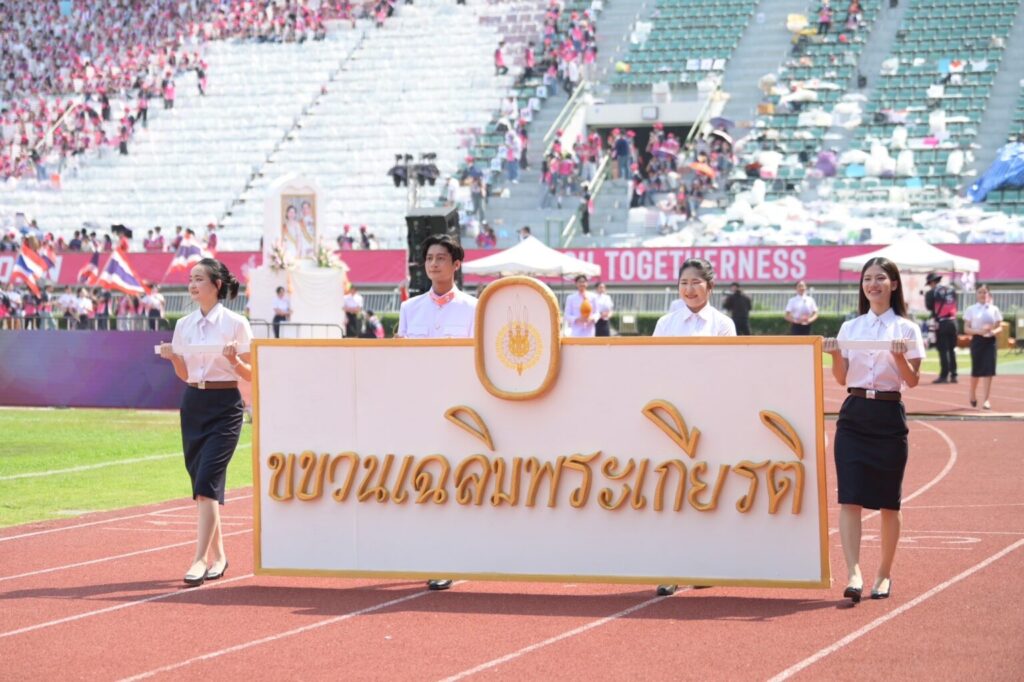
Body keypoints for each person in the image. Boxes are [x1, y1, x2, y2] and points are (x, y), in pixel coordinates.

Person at [823, 257, 924, 604]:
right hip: (853, 415)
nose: (873, 284)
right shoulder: (850, 328)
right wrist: (834, 355)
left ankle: (883, 574)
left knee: (888, 503)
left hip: (888, 415)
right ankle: (853, 572)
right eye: (868, 279)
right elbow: (841, 378)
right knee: (849, 497)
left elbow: (911, 381)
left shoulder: (908, 329)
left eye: (881, 278)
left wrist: (898, 358)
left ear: (894, 284)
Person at [158, 258, 253, 587]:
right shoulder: (183, 325)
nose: (193, 284)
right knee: (203, 489)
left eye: (200, 278)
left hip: (225, 405)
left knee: (208, 481)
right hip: (193, 404)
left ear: (217, 284)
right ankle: (221, 556)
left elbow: (253, 373)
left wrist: (234, 360)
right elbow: (185, 375)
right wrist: (173, 359)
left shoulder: (236, 323)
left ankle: (199, 559)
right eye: (191, 278)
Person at [396, 234, 477, 591]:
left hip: (460, 410)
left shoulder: (475, 309)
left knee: (455, 478)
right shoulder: (409, 309)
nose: (433, 264)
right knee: (424, 479)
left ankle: (453, 553)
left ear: (456, 264)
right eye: (429, 258)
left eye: (441, 258)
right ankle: (433, 551)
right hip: (418, 406)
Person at [652, 258, 735, 595]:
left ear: (709, 287)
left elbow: (727, 369)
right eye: (684, 283)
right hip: (673, 418)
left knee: (705, 488)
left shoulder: (722, 325)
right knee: (672, 488)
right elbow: (653, 367)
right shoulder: (666, 323)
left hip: (709, 416)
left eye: (696, 283)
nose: (689, 289)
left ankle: (705, 564)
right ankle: (671, 568)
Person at [963, 284, 1002, 410]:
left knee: (989, 370)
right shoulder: (971, 309)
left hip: (990, 341)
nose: (982, 294)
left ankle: (986, 399)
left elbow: (1000, 326)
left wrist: (992, 332)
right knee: (977, 370)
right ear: (976, 294)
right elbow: (966, 329)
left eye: (985, 292)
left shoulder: (994, 309)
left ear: (988, 294)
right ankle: (972, 392)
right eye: (980, 292)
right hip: (977, 340)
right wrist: (979, 331)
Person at [924, 272, 958, 383]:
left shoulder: (931, 293)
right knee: (952, 350)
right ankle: (954, 375)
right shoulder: (951, 290)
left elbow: (929, 307)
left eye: (929, 283)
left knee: (943, 350)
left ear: (932, 282)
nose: (930, 285)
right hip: (953, 322)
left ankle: (944, 375)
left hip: (941, 323)